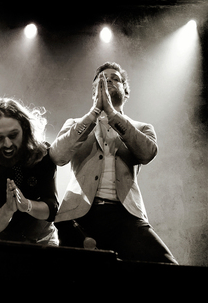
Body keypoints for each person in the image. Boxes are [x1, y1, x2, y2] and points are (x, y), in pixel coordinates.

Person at [50, 62, 178, 264]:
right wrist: (93, 114)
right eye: (102, 79)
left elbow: (147, 154)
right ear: (94, 91)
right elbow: (58, 156)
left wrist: (112, 114)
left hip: (126, 214)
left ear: (126, 91)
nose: (108, 80)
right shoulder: (75, 124)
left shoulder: (142, 127)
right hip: (79, 215)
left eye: (115, 78)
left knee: (168, 267)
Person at [0, 98, 59, 246]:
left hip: (43, 241)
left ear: (25, 129)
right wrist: (8, 209)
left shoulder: (41, 154)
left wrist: (27, 205)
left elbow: (52, 210)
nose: (7, 144)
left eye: (13, 135)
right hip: (3, 243)